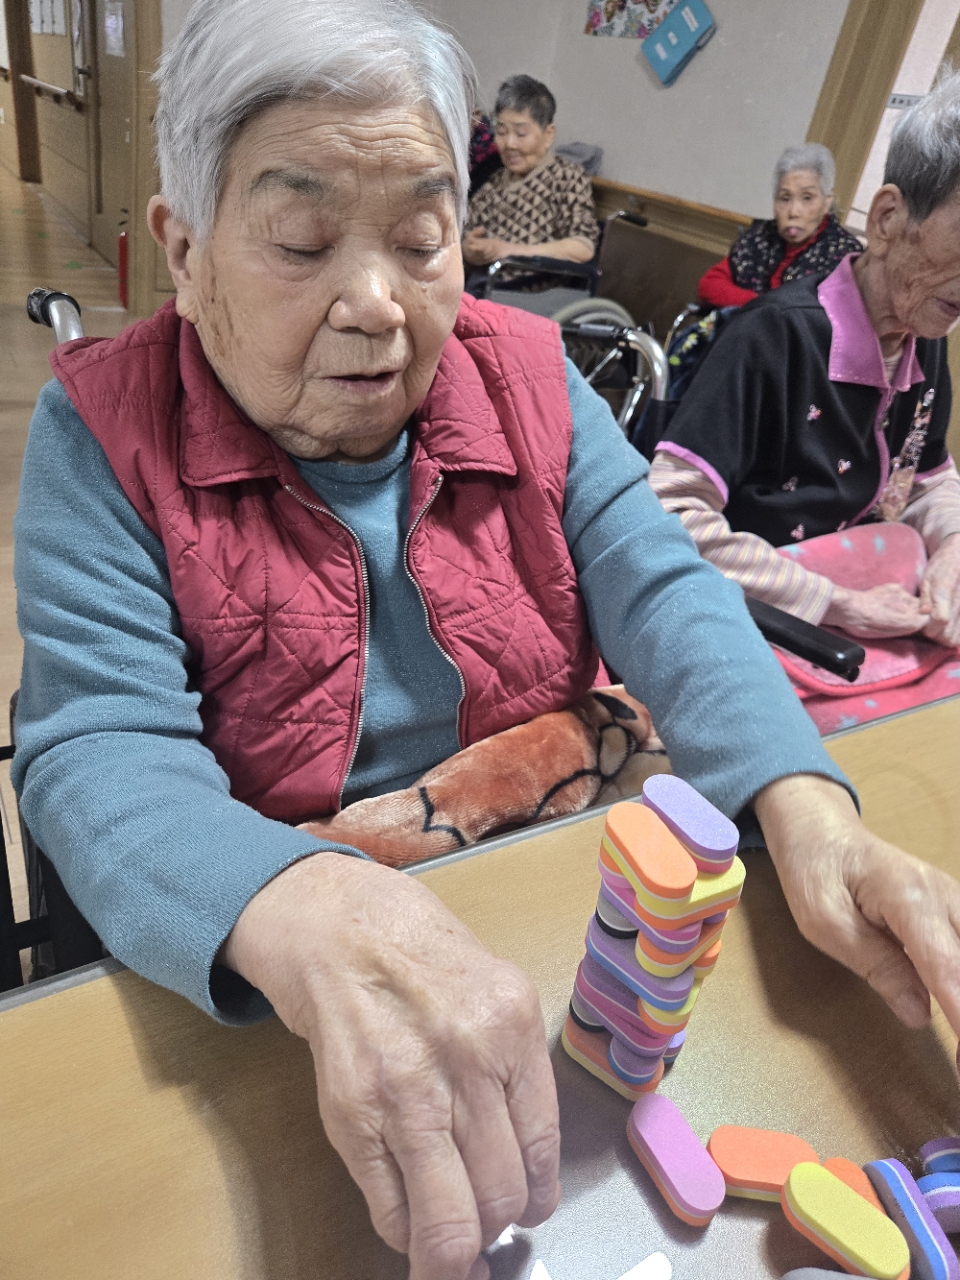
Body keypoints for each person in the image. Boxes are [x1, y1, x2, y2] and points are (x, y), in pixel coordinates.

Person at [11, 6, 960, 1280]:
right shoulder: (103, 431)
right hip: (274, 939)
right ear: (185, 250)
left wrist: (810, 809)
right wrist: (296, 901)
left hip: (548, 895)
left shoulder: (527, 373)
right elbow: (97, 747)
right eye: (300, 242)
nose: (376, 304)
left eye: (421, 240)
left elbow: (665, 593)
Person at [650, 76, 960, 648]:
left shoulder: (925, 335)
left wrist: (953, 550)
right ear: (888, 219)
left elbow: (926, 480)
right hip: (739, 619)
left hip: (858, 600)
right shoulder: (776, 334)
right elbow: (669, 511)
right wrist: (836, 602)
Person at [697, 143, 862, 309]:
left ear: (827, 201)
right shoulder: (760, 236)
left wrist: (761, 309)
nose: (793, 212)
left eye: (807, 198)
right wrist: (763, 307)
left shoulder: (845, 254)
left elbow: (824, 315)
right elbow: (709, 285)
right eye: (785, 198)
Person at [461, 74, 599, 269]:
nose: (509, 144)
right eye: (501, 132)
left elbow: (582, 248)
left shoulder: (567, 177)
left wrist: (509, 251)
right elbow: (464, 240)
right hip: (485, 284)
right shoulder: (495, 182)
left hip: (531, 287)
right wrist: (469, 251)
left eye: (521, 134)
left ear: (548, 134)